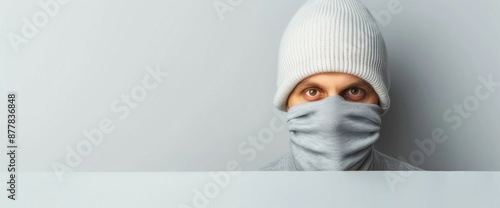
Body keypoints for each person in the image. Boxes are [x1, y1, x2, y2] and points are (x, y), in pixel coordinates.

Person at [261, 0, 421, 170]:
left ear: (378, 101)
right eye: (312, 92)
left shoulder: (423, 193)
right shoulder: (249, 194)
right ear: (287, 102)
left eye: (354, 91)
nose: (333, 120)